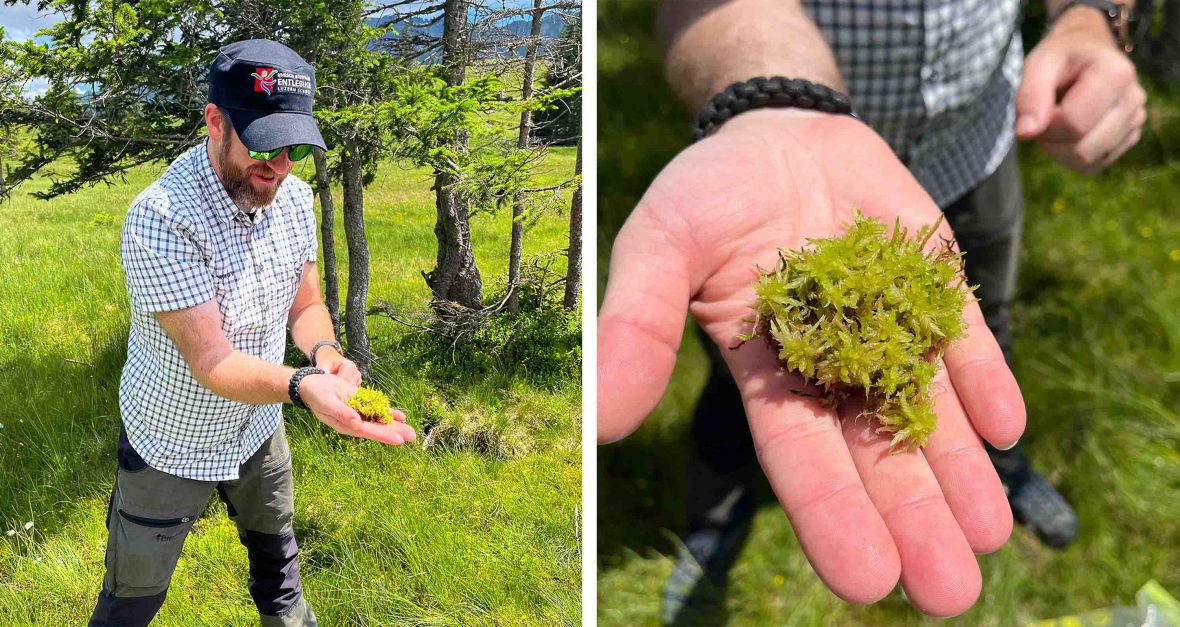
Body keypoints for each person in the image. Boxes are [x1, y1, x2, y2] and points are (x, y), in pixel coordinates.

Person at [597, 0, 1146, 620]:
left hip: (978, 147)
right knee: (738, 383)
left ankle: (1006, 466)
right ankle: (714, 523)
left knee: (983, 338)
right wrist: (774, 99)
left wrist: (1088, 18)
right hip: (790, 155)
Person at [88, 39, 417, 626]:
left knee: (281, 577)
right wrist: (302, 387)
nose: (278, 166)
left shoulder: (292, 197)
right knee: (131, 601)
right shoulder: (162, 217)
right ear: (215, 121)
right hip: (170, 439)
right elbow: (212, 361)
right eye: (264, 146)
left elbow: (306, 303)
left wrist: (327, 355)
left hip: (258, 429)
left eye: (293, 148)